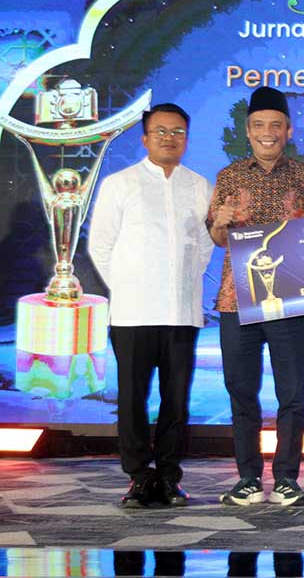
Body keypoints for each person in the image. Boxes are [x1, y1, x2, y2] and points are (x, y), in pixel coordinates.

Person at [207, 86, 304, 507]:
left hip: (289, 300)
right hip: (235, 301)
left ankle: (287, 479)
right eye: (259, 125)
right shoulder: (229, 176)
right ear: (248, 130)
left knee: (291, 394)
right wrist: (220, 223)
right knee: (241, 391)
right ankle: (247, 478)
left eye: (275, 125)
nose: (267, 132)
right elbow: (218, 237)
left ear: (288, 131)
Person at [88, 103, 214, 508]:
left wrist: (182, 282)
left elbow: (205, 245)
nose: (169, 138)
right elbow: (100, 246)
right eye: (160, 131)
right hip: (133, 314)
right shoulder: (120, 184)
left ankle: (170, 477)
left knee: (176, 401)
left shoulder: (199, 185)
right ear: (144, 138)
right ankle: (140, 477)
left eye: (177, 132)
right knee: (132, 400)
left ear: (186, 139)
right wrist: (131, 286)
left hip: (181, 312)